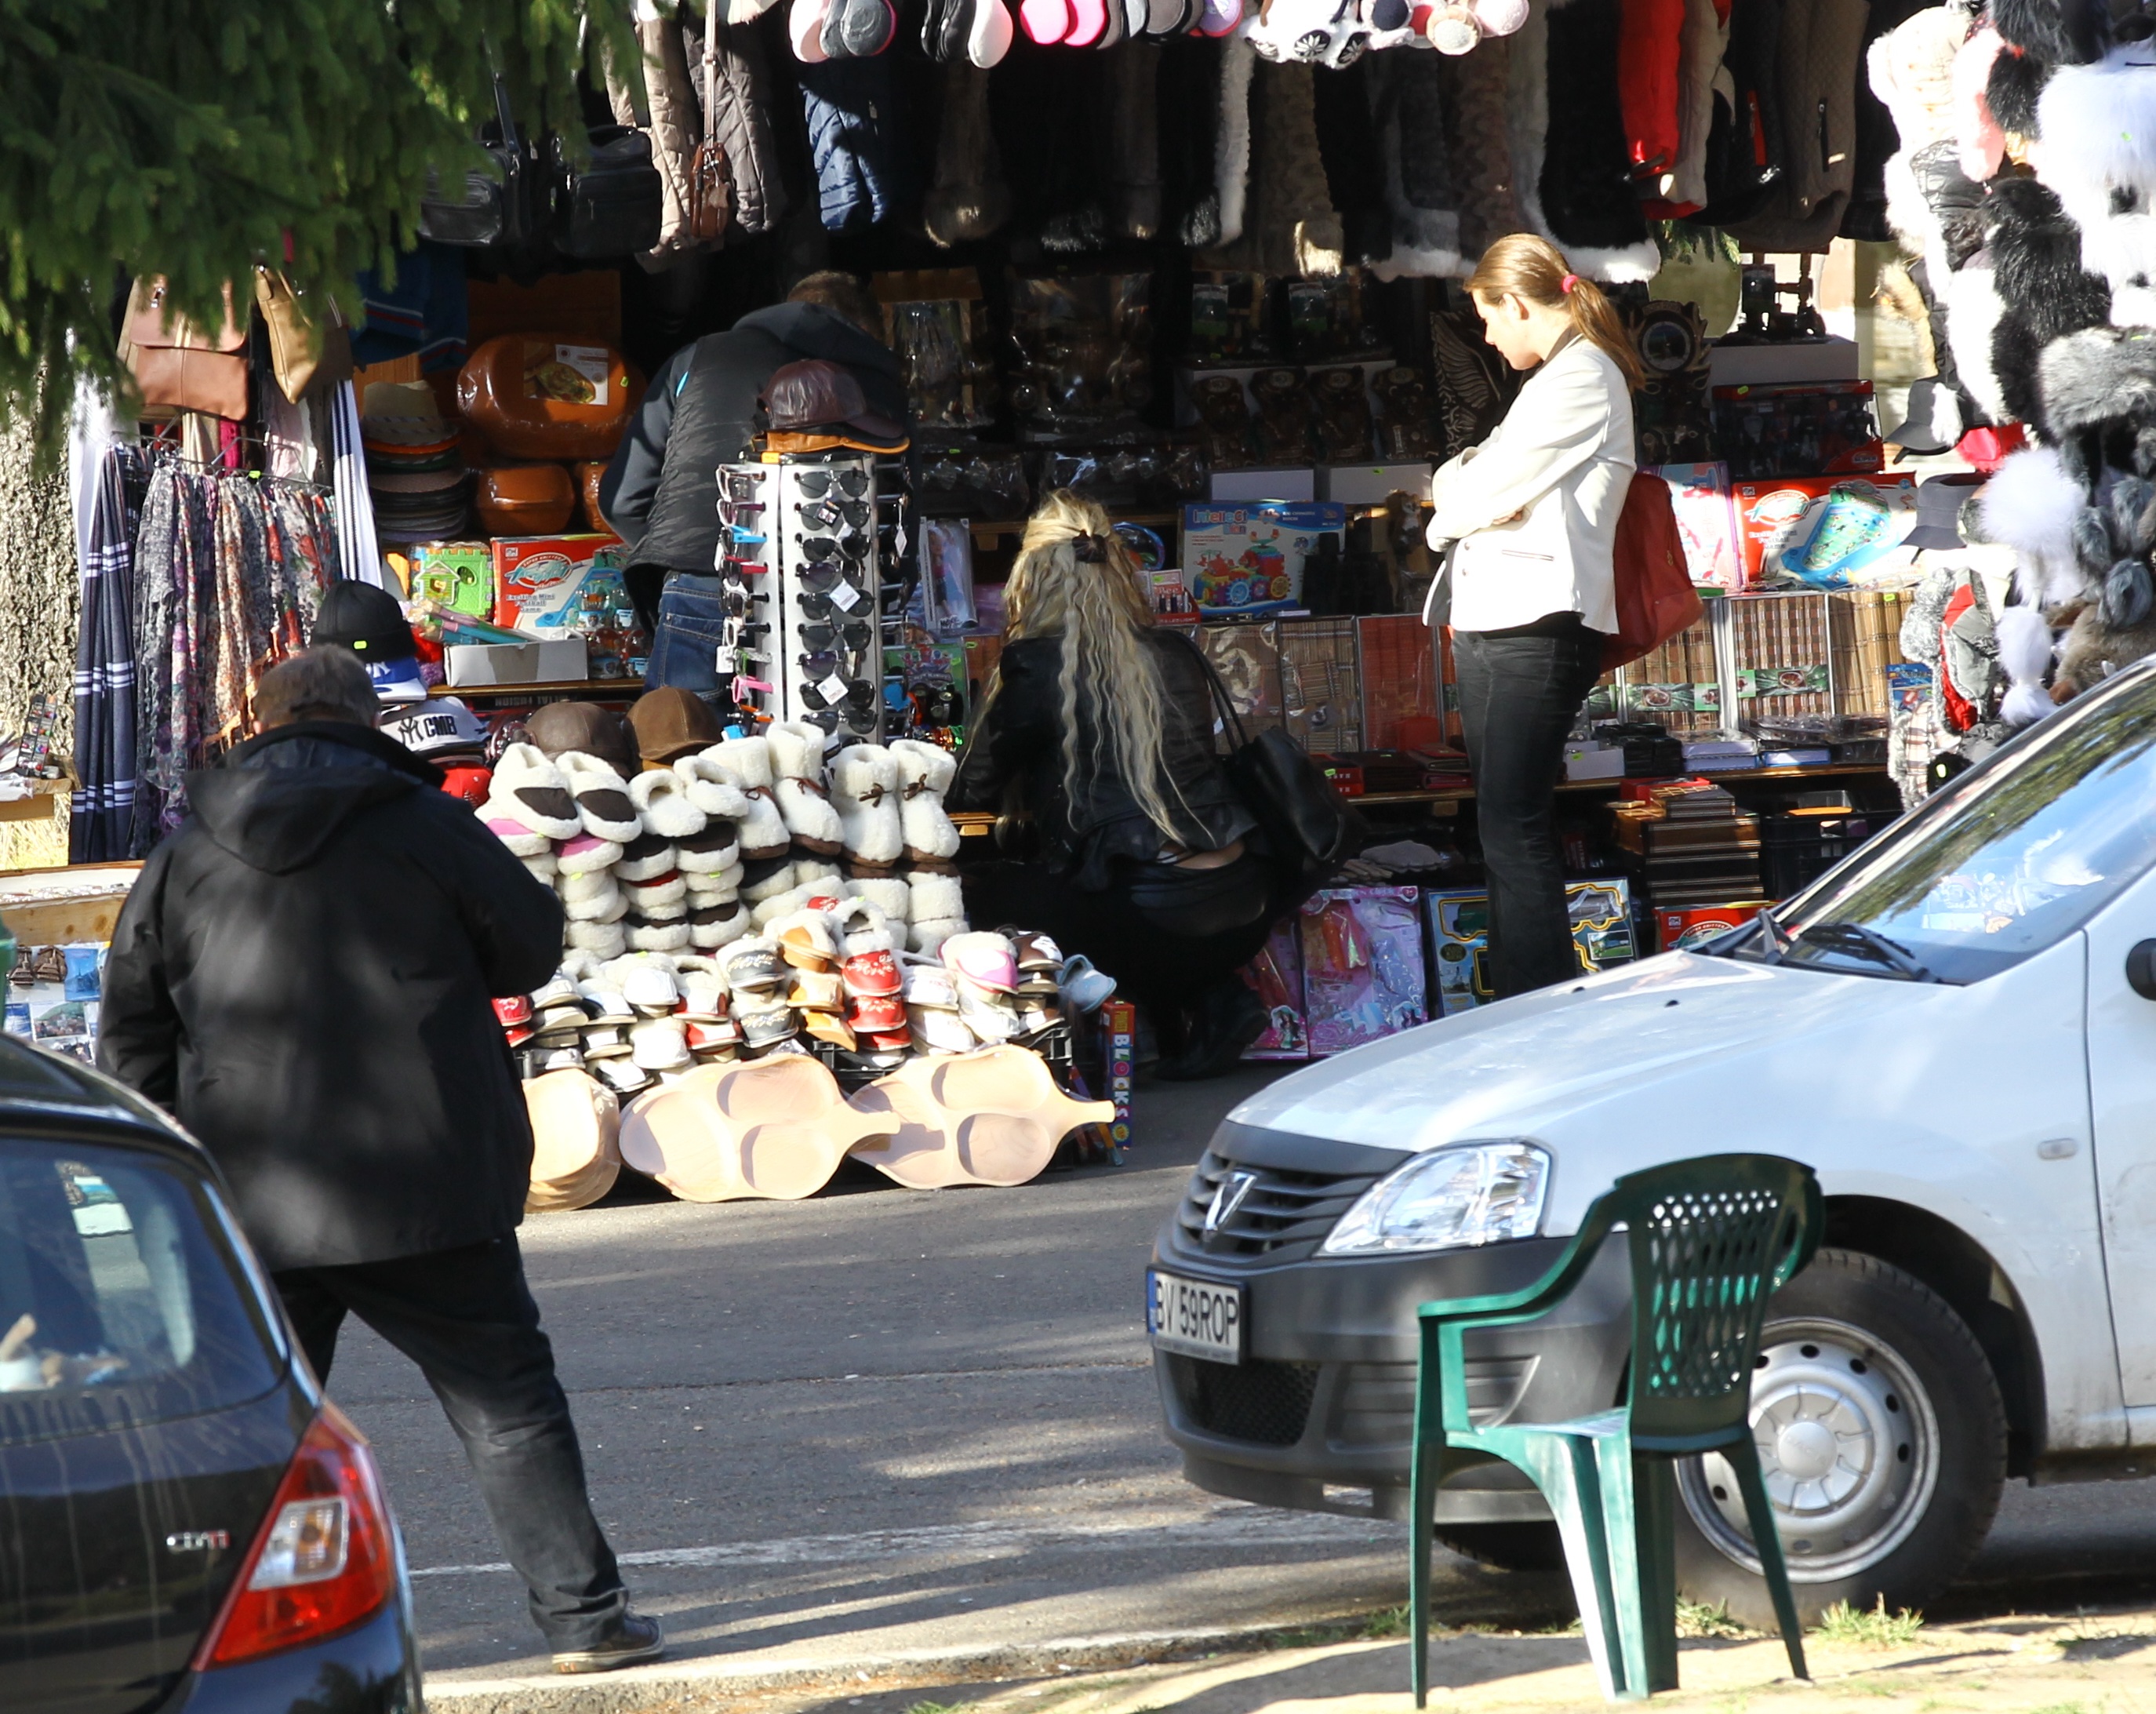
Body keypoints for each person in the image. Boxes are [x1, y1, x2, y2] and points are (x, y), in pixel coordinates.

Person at [97, 646, 662, 1676]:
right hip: (430, 1178)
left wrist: (167, 1165)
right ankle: (583, 1623)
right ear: (369, 717)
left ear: (258, 723)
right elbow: (531, 949)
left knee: (249, 1425)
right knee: (505, 1400)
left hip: (257, 1189)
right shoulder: (426, 820)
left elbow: (130, 1026)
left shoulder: (191, 849)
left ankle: (195, 1639)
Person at [952, 493, 1281, 1079]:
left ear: (1030, 577)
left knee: (982, 899)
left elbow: (971, 789)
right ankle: (1211, 997)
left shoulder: (1035, 664)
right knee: (1121, 891)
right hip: (1243, 897)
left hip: (1145, 911)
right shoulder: (1175, 650)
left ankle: (1120, 1023)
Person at [1424, 234, 1642, 999]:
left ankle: (1535, 1003)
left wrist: (1451, 511)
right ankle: (1529, 999)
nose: (1485, 336)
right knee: (1503, 823)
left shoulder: (1581, 375)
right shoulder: (1560, 378)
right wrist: (1472, 489)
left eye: (1488, 318)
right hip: (1504, 616)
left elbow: (1475, 488)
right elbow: (1472, 472)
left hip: (1536, 621)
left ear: (1517, 303)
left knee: (1512, 826)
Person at [598, 270, 908, 690]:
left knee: (681, 745)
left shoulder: (697, 358)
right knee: (817, 750)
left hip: (700, 583)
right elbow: (900, 518)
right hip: (829, 602)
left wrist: (691, 555)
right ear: (870, 329)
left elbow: (621, 500)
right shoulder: (878, 381)